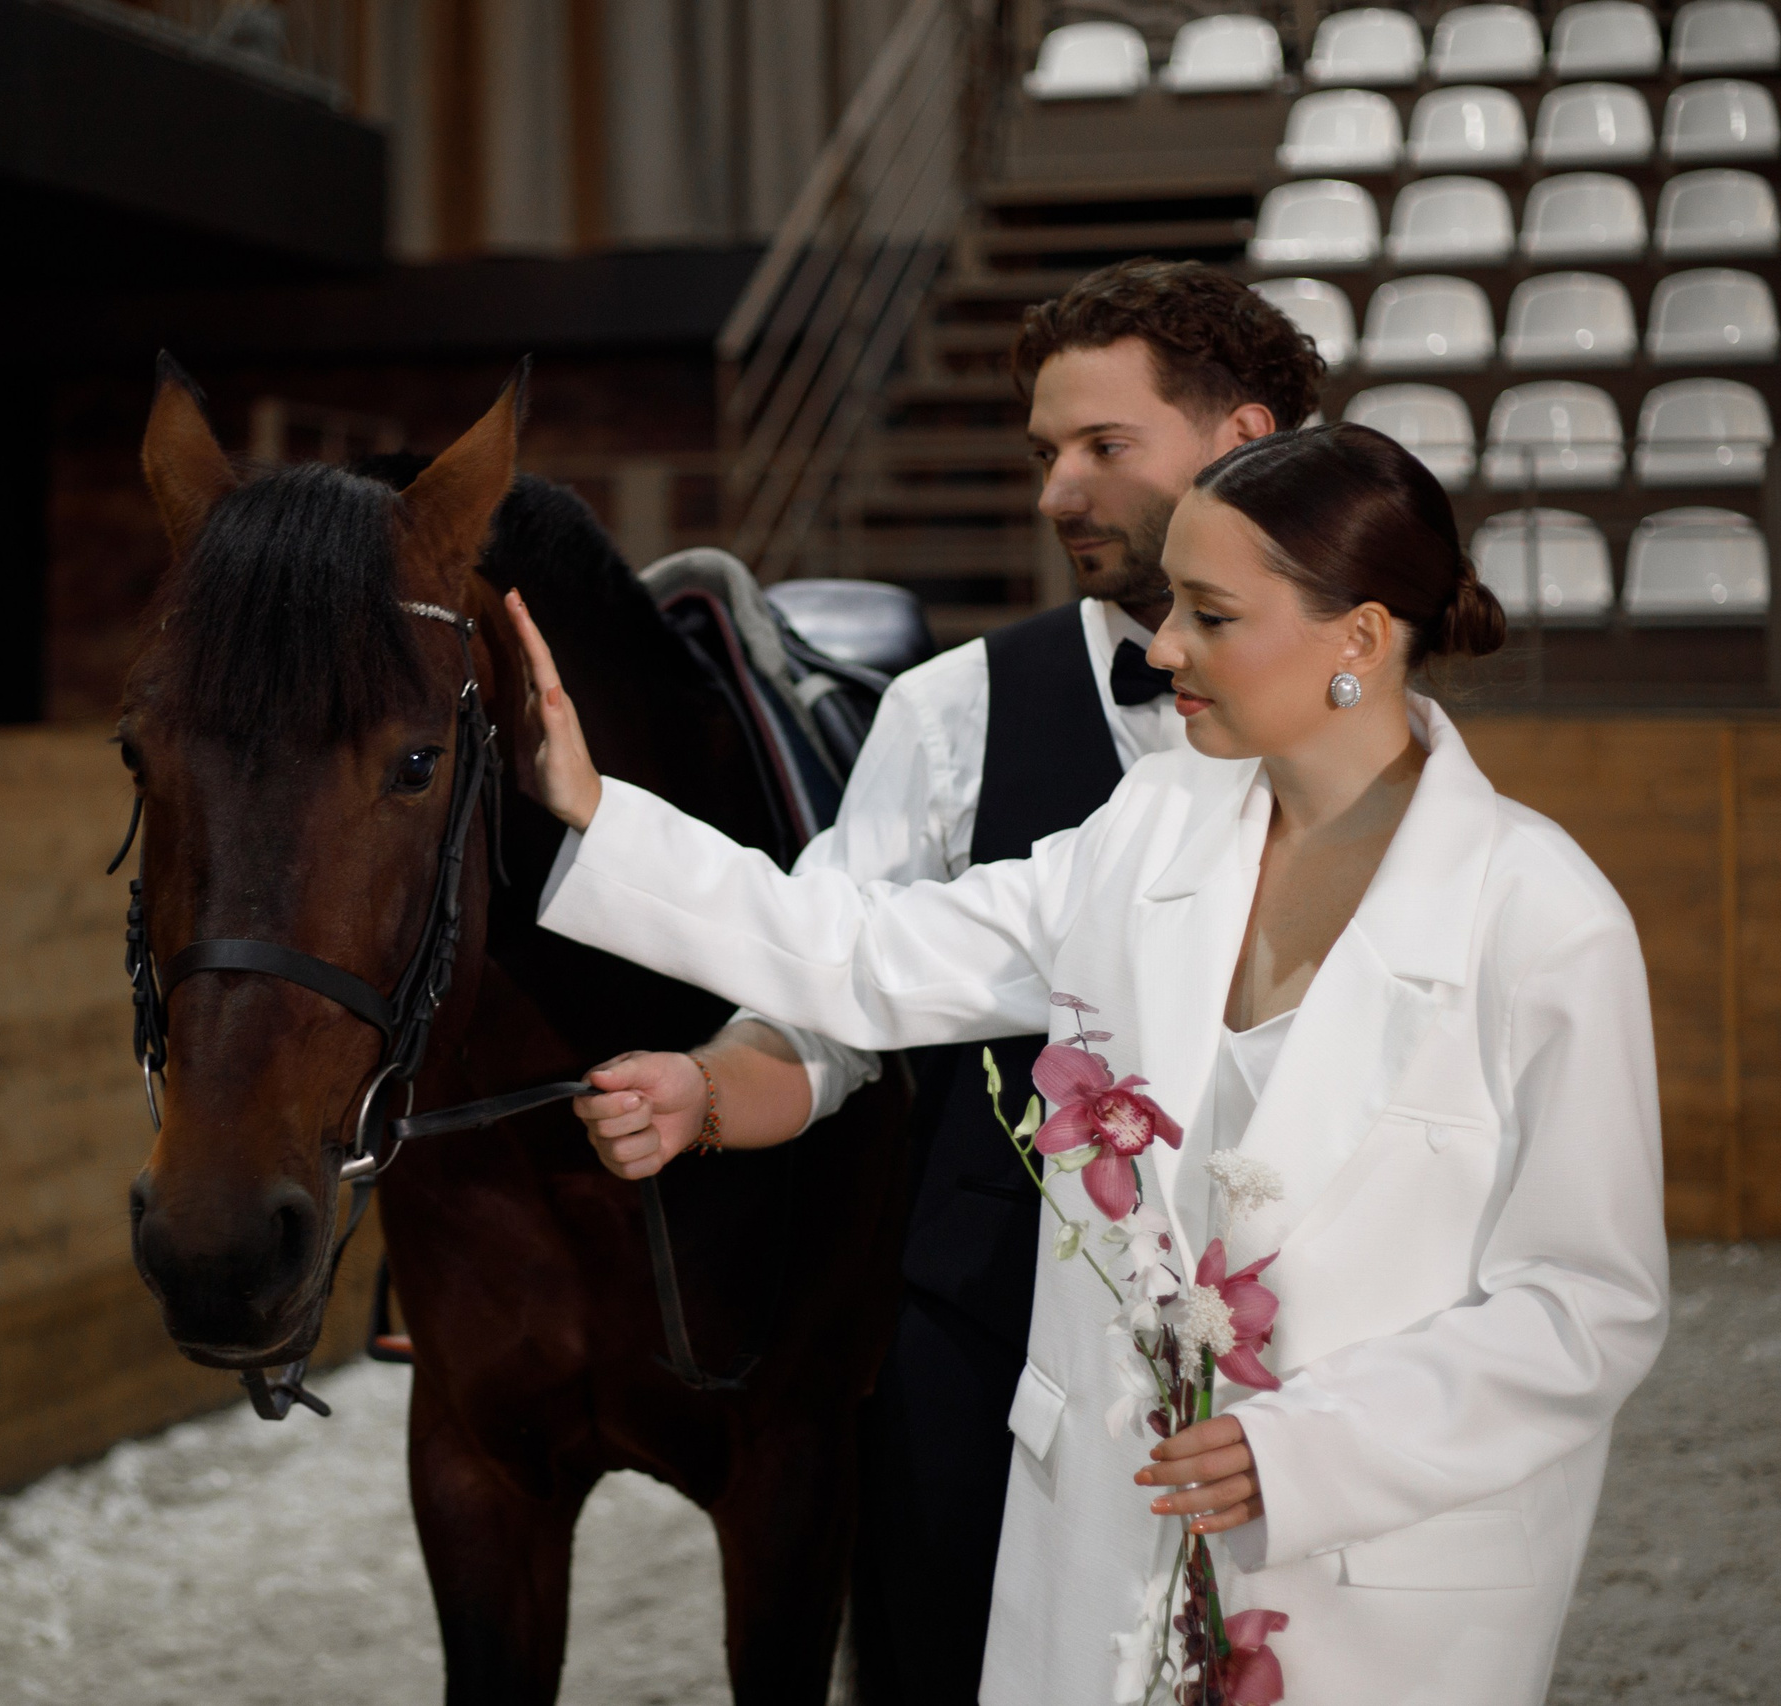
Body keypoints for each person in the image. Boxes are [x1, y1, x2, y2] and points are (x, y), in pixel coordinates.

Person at [505, 423, 1668, 1706]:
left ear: (1359, 635)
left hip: (1374, 1572)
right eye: (1170, 607)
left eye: (1210, 614)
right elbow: (870, 951)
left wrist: (1315, 1452)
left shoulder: (1541, 916)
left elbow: (1587, 1301)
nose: (1160, 647)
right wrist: (596, 808)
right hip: (1107, 1537)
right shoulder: (1152, 822)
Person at [577, 258, 1326, 1703]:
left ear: (1239, 439)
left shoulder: (1364, 730)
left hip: (1292, 1337)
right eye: (1045, 453)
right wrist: (708, 1089)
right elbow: (838, 981)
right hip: (988, 1335)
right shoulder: (947, 711)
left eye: (1103, 446)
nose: (1058, 492)